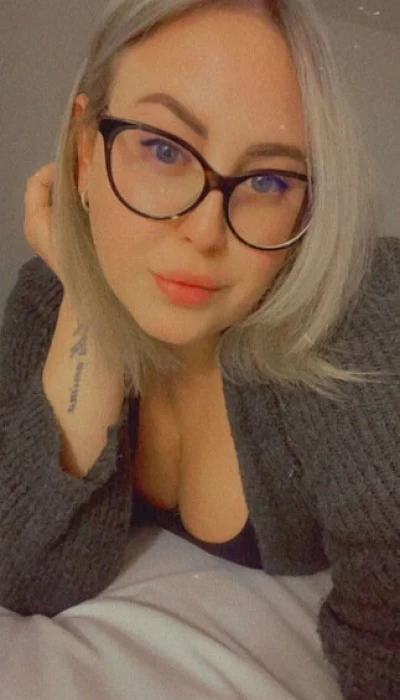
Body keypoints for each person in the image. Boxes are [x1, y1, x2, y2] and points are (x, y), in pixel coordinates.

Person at [0, 0, 398, 697]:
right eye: (164, 149)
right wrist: (87, 297)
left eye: (268, 180)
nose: (206, 231)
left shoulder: (358, 314)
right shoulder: (47, 296)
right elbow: (27, 576)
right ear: (86, 153)